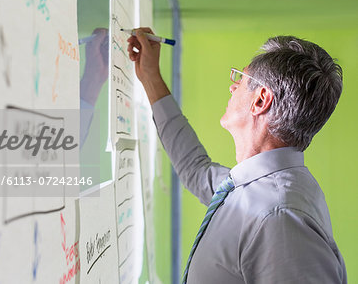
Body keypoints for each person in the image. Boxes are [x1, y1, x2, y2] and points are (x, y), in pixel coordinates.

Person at [127, 28, 347, 283]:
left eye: (240, 79)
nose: (233, 87)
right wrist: (151, 78)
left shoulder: (280, 216)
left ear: (260, 100)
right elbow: (196, 170)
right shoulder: (254, 188)